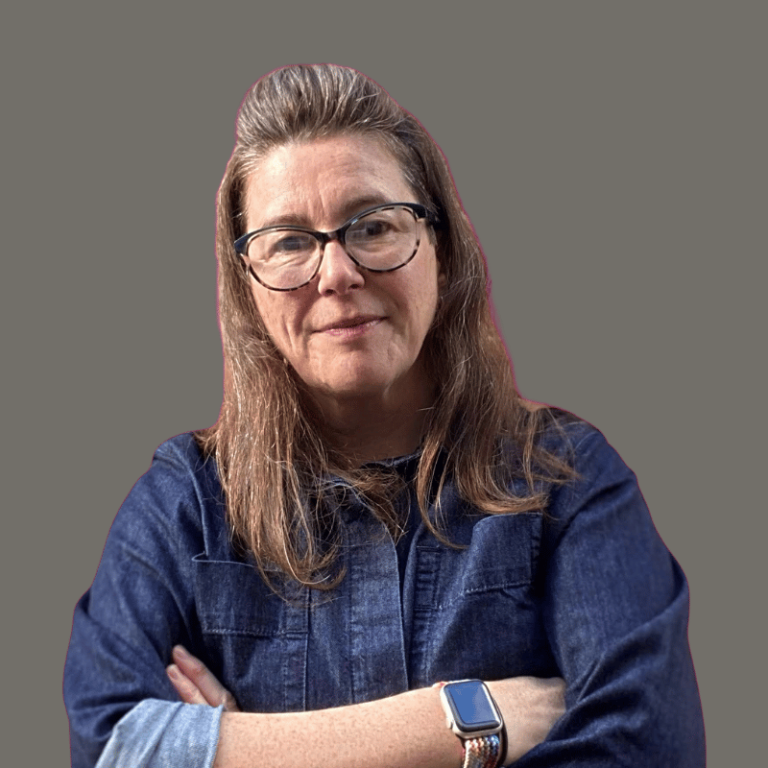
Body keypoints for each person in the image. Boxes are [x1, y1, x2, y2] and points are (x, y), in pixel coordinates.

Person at [64, 64, 705, 767]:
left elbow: (647, 752)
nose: (336, 273)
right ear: (248, 289)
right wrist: (460, 723)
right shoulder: (183, 505)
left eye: (372, 227)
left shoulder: (569, 482)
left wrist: (233, 751)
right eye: (288, 241)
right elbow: (110, 743)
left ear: (442, 248)